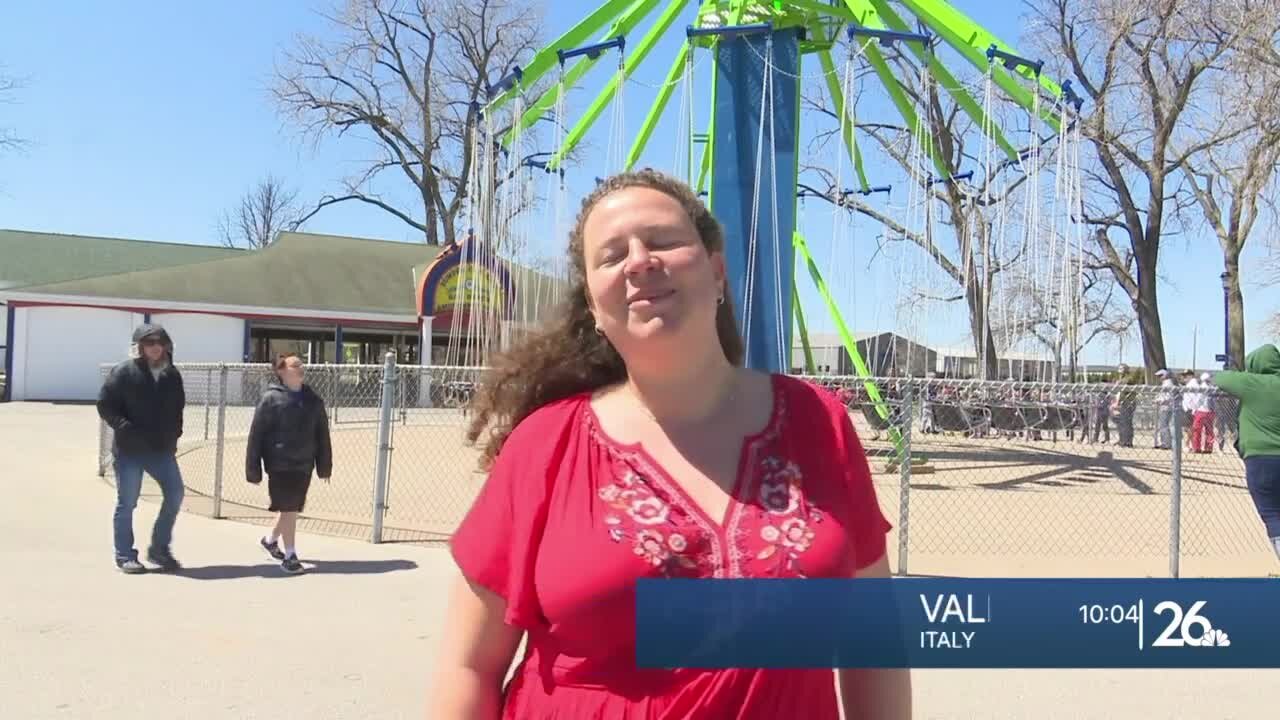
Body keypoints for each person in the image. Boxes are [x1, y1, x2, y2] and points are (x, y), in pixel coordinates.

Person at [426, 170, 911, 719]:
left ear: (718, 271)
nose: (639, 261)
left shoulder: (818, 422)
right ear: (594, 305)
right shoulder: (545, 445)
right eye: (612, 256)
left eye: (662, 241)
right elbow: (470, 667)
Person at [96, 323, 186, 573]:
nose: (156, 348)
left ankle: (159, 549)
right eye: (149, 343)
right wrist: (123, 427)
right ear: (140, 347)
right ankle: (125, 555)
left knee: (175, 494)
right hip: (129, 451)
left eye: (160, 343)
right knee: (127, 503)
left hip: (162, 450)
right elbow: (105, 405)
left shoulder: (172, 375)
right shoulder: (123, 372)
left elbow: (178, 408)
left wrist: (175, 434)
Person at [245, 352, 333, 574]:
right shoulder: (270, 400)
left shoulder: (313, 400)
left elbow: (322, 434)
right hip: (279, 464)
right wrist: (253, 469)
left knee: (290, 507)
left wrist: (324, 466)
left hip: (304, 464)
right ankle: (290, 554)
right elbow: (256, 435)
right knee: (289, 506)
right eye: (295, 364)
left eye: (301, 364)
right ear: (282, 372)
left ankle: (270, 540)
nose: (300, 366)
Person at [1213, 344, 1280, 563]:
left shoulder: (1253, 383)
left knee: (1272, 514)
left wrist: (1245, 372)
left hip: (1261, 459)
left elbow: (1221, 378)